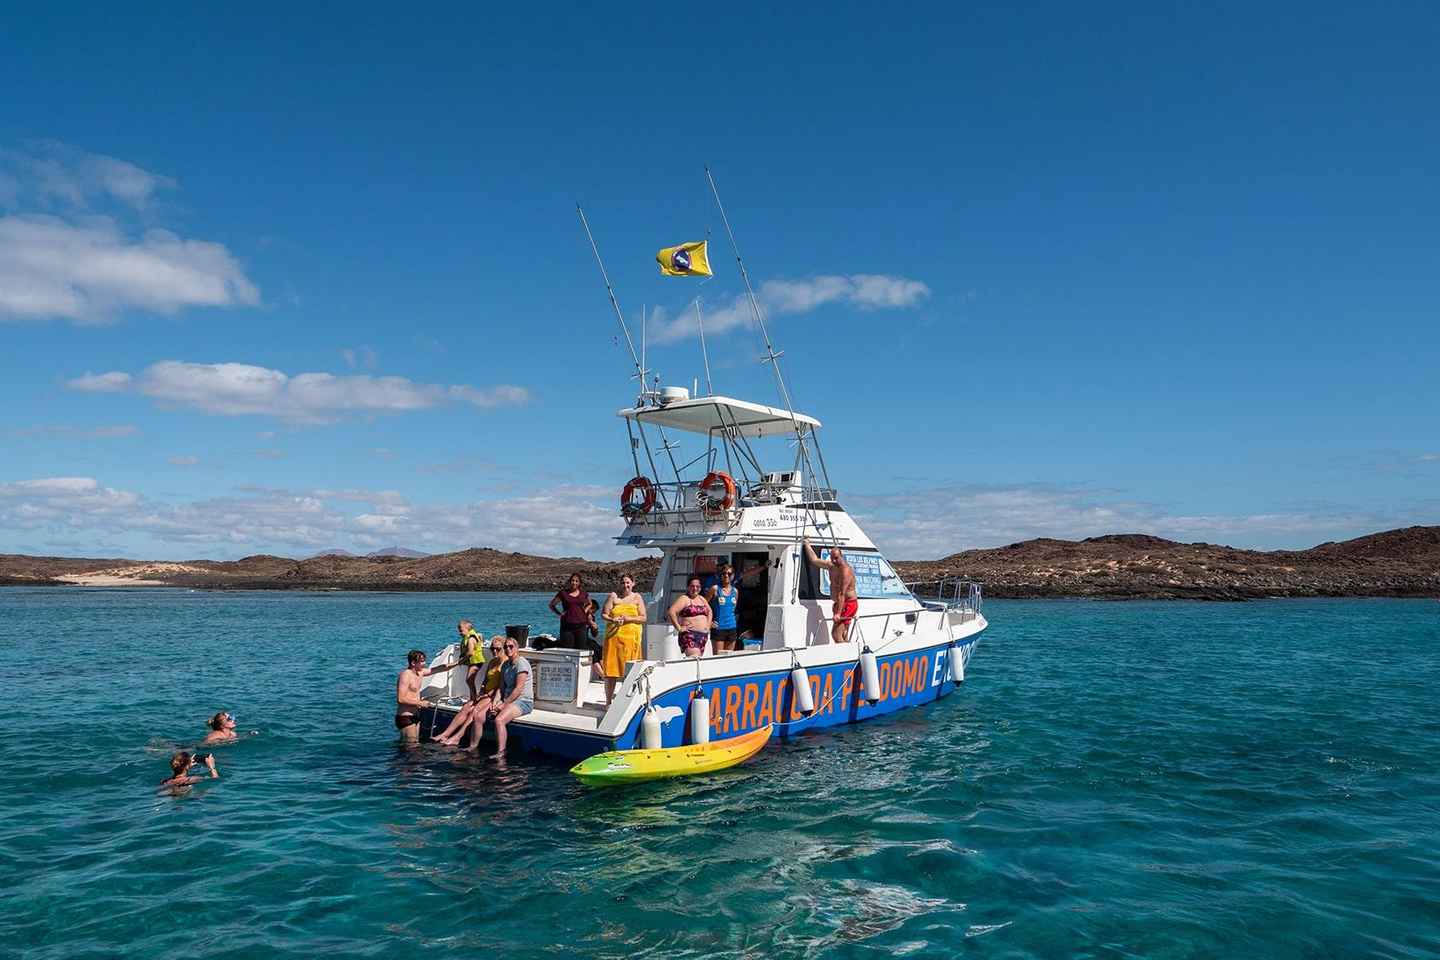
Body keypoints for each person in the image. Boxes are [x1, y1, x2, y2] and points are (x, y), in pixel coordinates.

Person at [435, 635, 506, 748]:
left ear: (504, 648)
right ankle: (445, 734)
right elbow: (485, 680)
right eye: (492, 648)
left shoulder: (504, 664)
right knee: (467, 707)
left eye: (498, 648)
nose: (494, 651)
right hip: (485, 694)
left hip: (494, 696)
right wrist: (481, 691)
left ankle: (458, 737)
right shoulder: (492, 662)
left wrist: (487, 695)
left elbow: (501, 686)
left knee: (475, 710)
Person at [395, 649, 462, 743]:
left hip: (416, 715)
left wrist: (459, 662)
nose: (424, 663)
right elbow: (401, 699)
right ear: (413, 663)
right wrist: (420, 703)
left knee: (414, 744)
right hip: (406, 717)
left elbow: (440, 668)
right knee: (411, 747)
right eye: (421, 661)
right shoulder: (405, 675)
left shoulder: (420, 673)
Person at [600, 573, 646, 704]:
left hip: (632, 641)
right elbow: (604, 614)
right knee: (611, 672)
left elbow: (643, 617)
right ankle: (608, 702)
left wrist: (629, 619)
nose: (625, 585)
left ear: (633, 583)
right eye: (623, 583)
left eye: (628, 583)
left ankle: (626, 702)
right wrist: (612, 619)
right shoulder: (613, 596)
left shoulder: (637, 597)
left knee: (630, 671)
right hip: (614, 638)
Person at [803, 538, 858, 644]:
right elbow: (814, 560)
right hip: (839, 603)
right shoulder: (831, 566)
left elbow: (842, 593)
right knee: (843, 633)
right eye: (832, 558)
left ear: (841, 556)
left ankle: (845, 656)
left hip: (848, 604)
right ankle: (850, 653)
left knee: (836, 634)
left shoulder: (845, 571)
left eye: (836, 558)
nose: (834, 560)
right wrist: (807, 544)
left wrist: (838, 613)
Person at [490, 638, 534, 758]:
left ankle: (501, 752)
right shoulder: (505, 665)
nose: (508, 649)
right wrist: (495, 701)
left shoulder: (521, 663)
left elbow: (519, 689)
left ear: (517, 648)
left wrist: (503, 704)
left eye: (511, 646)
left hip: (523, 701)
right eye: (505, 647)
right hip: (509, 700)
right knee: (488, 712)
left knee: (499, 720)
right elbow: (501, 687)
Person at [668, 575, 712, 659]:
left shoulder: (702, 599)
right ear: (688, 587)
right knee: (695, 659)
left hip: (703, 635)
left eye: (697, 586)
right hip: (690, 635)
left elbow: (710, 611)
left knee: (697, 661)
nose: (695, 588)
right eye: (692, 586)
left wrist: (708, 625)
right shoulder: (684, 599)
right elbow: (671, 611)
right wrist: (679, 628)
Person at [549, 573, 592, 651]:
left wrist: (584, 611)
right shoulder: (563, 593)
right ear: (569, 582)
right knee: (568, 650)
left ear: (579, 583)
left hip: (581, 626)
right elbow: (552, 605)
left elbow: (590, 604)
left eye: (576, 581)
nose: (574, 583)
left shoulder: (584, 593)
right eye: (572, 580)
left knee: (582, 649)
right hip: (567, 626)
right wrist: (559, 613)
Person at [706, 564, 741, 653]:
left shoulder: (735, 591)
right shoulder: (715, 589)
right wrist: (709, 622)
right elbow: (703, 605)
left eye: (729, 574)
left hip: (732, 627)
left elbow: (733, 609)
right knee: (719, 657)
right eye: (724, 573)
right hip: (719, 628)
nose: (726, 576)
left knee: (729, 658)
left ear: (733, 575)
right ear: (720, 575)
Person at [458, 619, 485, 701]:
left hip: (477, 662)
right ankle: (472, 697)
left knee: (469, 680)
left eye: (461, 631)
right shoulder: (471, 636)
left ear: (468, 629)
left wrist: (461, 661)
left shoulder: (470, 639)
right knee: (470, 680)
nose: (460, 633)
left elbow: (470, 652)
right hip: (473, 662)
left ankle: (473, 699)